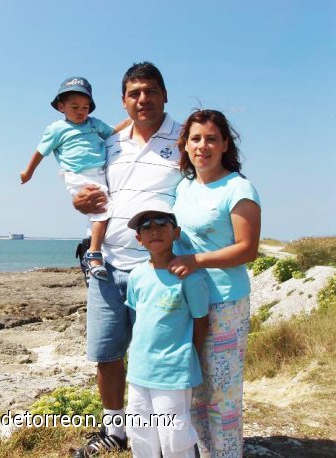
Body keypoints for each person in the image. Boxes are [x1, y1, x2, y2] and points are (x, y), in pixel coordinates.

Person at [71, 62, 184, 457]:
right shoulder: (110, 141)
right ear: (123, 101)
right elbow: (89, 189)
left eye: (151, 91)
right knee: (106, 352)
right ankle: (115, 430)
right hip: (105, 265)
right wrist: (77, 200)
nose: (143, 99)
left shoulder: (185, 139)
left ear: (165, 95)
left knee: (158, 354)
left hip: (155, 269)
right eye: (134, 93)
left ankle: (172, 435)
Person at [169, 109, 261, 457]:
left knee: (222, 394)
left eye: (211, 138)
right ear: (185, 145)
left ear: (224, 144)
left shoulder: (238, 188)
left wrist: (196, 261)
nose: (202, 145)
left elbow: (248, 249)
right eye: (195, 138)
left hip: (225, 302)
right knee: (193, 389)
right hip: (187, 301)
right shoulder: (183, 187)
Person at [125, 201, 209, 458]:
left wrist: (186, 355)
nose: (155, 230)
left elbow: (200, 321)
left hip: (173, 371)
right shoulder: (136, 275)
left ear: (176, 232)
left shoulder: (191, 279)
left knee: (174, 435)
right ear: (139, 238)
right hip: (140, 368)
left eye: (162, 223)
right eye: (146, 226)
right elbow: (138, 316)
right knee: (140, 430)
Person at [20, 76, 115, 280]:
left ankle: (94, 250)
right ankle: (94, 254)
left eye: (85, 107)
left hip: (99, 172)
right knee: (102, 209)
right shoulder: (57, 129)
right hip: (77, 174)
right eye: (75, 107)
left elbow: (115, 134)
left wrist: (133, 122)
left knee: (102, 210)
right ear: (61, 107)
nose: (81, 112)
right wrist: (28, 172)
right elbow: (40, 152)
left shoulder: (94, 124)